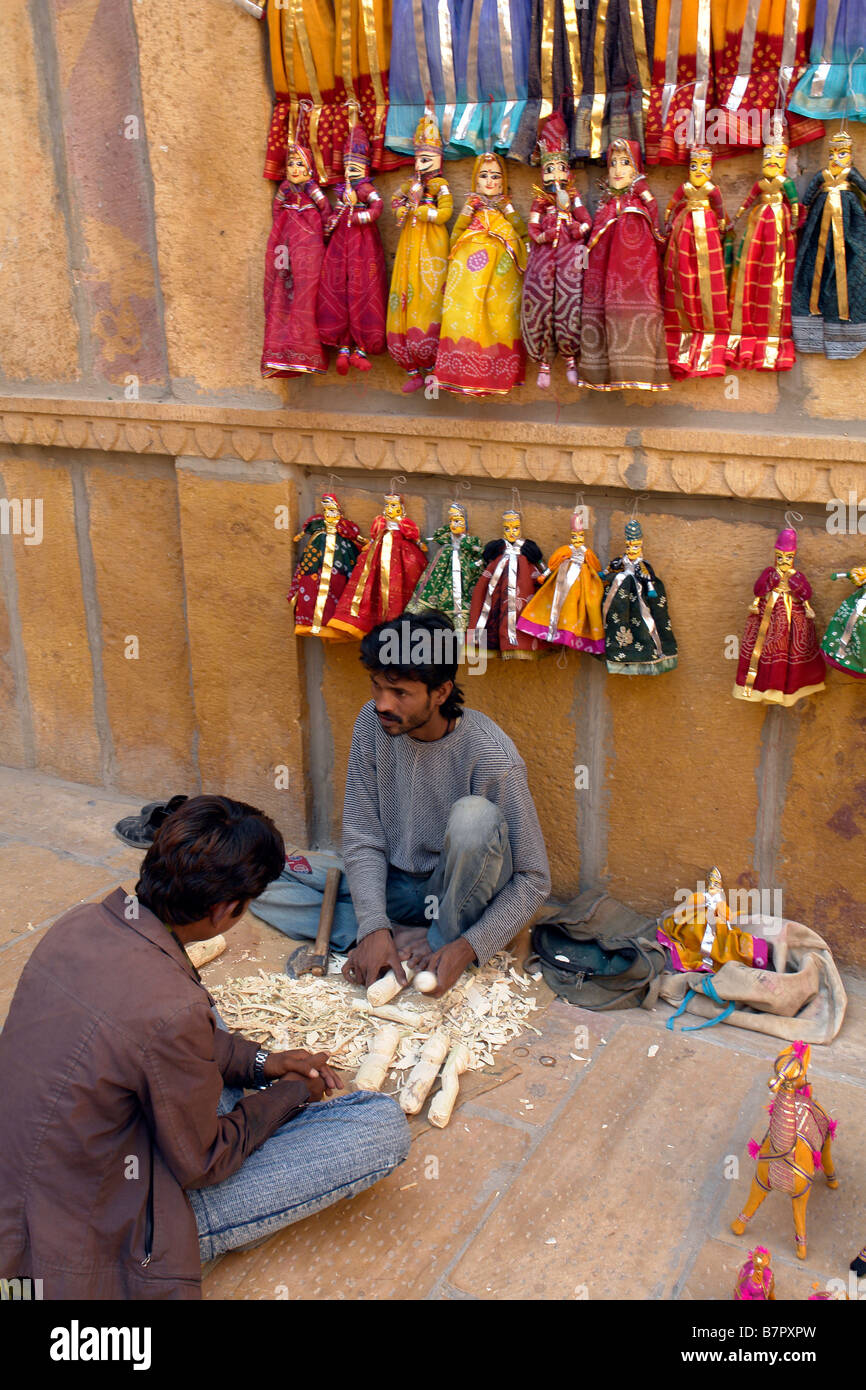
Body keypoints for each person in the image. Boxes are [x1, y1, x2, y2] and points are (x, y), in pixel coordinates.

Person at [0, 796, 409, 1300]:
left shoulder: (80, 923)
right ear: (223, 911)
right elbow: (203, 1163)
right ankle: (249, 1153)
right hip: (109, 1229)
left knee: (196, 1010)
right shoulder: (170, 1010)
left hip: (37, 1177)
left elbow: (161, 1037)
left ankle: (251, 1112)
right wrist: (288, 1093)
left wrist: (264, 1062)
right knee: (378, 1125)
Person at [255, 611, 551, 996]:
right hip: (396, 887)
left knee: (474, 817)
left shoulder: (490, 754)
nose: (382, 703)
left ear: (441, 693)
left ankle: (438, 939)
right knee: (257, 881)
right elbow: (362, 837)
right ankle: (396, 937)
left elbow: (533, 880)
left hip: (454, 898)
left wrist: (468, 947)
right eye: (377, 687)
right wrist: (374, 925)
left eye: (400, 693)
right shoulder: (372, 723)